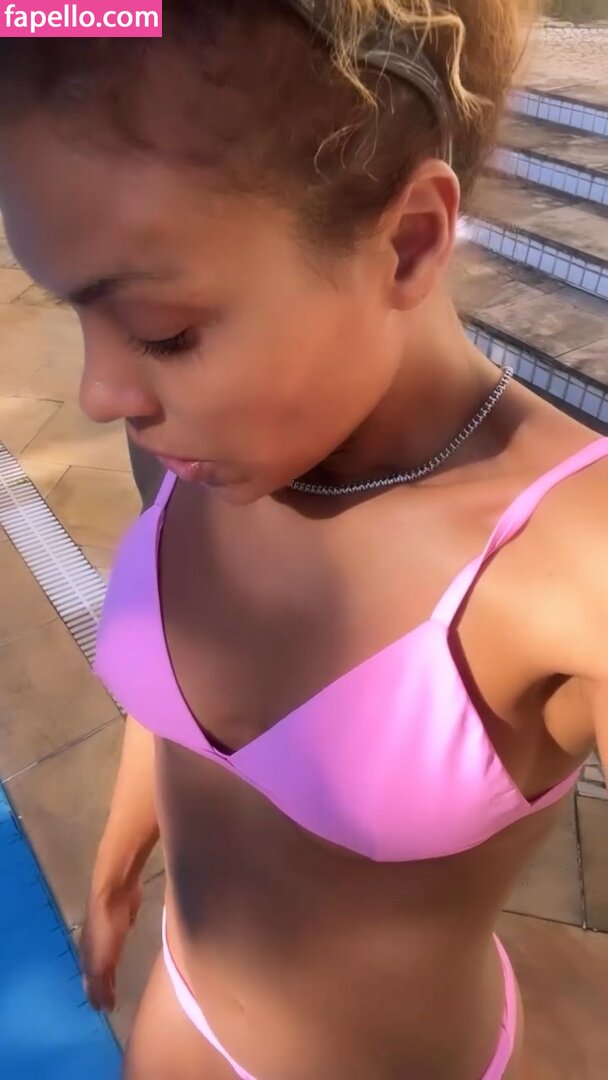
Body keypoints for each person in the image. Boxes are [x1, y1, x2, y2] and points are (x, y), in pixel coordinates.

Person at [0, 3, 606, 1077]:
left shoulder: (572, 564)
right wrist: (120, 852)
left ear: (408, 242)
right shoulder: (202, 446)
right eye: (75, 314)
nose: (100, 394)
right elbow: (183, 706)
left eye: (161, 332)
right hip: (177, 1020)